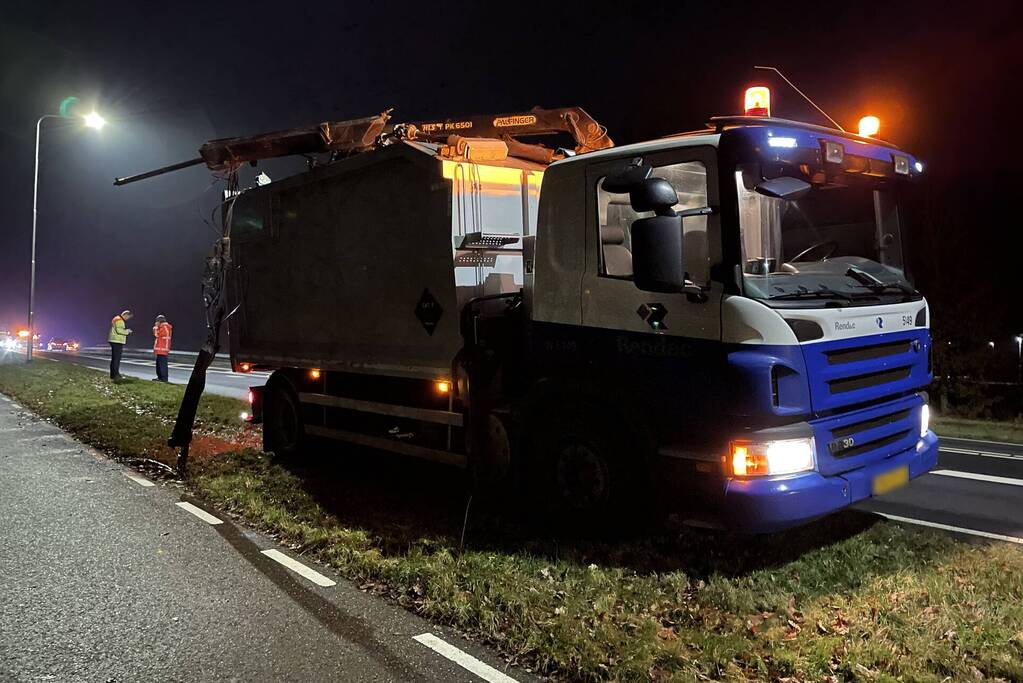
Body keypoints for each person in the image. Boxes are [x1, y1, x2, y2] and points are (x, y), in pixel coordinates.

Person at [108, 310, 133, 380]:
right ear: (126, 315)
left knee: (114, 359)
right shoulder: (119, 320)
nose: (128, 319)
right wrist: (127, 331)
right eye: (128, 317)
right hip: (117, 341)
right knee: (116, 359)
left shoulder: (116, 318)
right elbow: (119, 331)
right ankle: (116, 375)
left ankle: (113, 375)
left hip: (114, 340)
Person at [152, 315, 172, 382]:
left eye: (157, 321)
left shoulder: (164, 327)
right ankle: (160, 377)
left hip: (162, 349)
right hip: (161, 349)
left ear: (159, 321)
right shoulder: (163, 326)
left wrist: (155, 327)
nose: (156, 322)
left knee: (162, 365)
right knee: (159, 364)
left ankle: (164, 378)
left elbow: (157, 334)